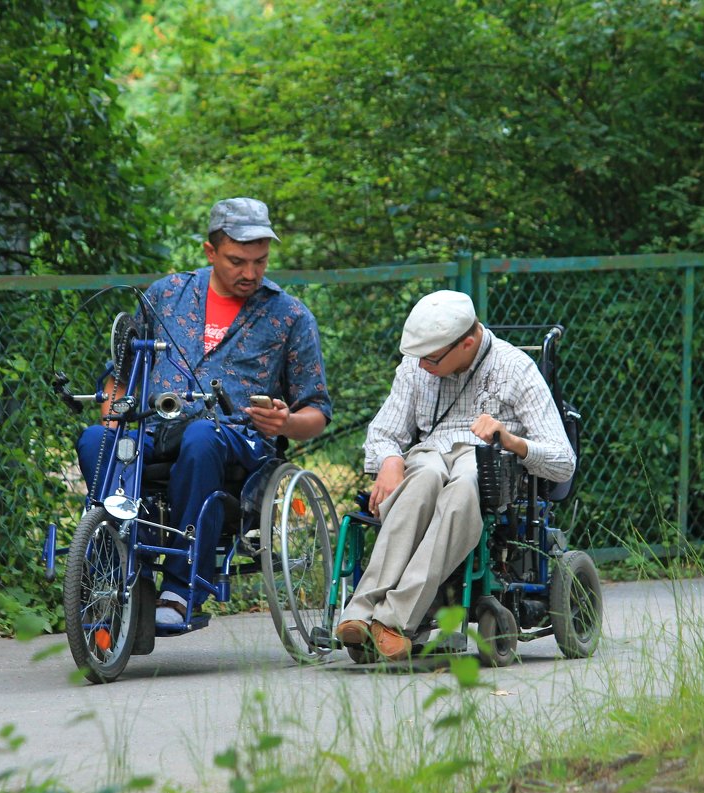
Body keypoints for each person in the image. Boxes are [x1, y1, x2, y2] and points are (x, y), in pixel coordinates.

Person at [76, 197, 331, 626]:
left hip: (237, 442)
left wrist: (286, 422)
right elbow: (119, 377)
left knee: (201, 437)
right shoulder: (165, 295)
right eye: (237, 261)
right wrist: (112, 411)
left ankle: (182, 589)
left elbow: (318, 411)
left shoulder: (289, 317)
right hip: (156, 431)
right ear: (210, 252)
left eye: (260, 261)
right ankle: (118, 568)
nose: (250, 273)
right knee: (95, 440)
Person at [335, 290, 576, 661]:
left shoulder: (516, 368)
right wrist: (389, 460)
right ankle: (359, 612)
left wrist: (511, 440)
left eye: (430, 358)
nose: (420, 366)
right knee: (425, 477)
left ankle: (394, 619)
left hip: (488, 463)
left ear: (466, 343)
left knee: (465, 484)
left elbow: (563, 461)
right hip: (430, 455)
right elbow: (385, 432)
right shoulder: (416, 366)